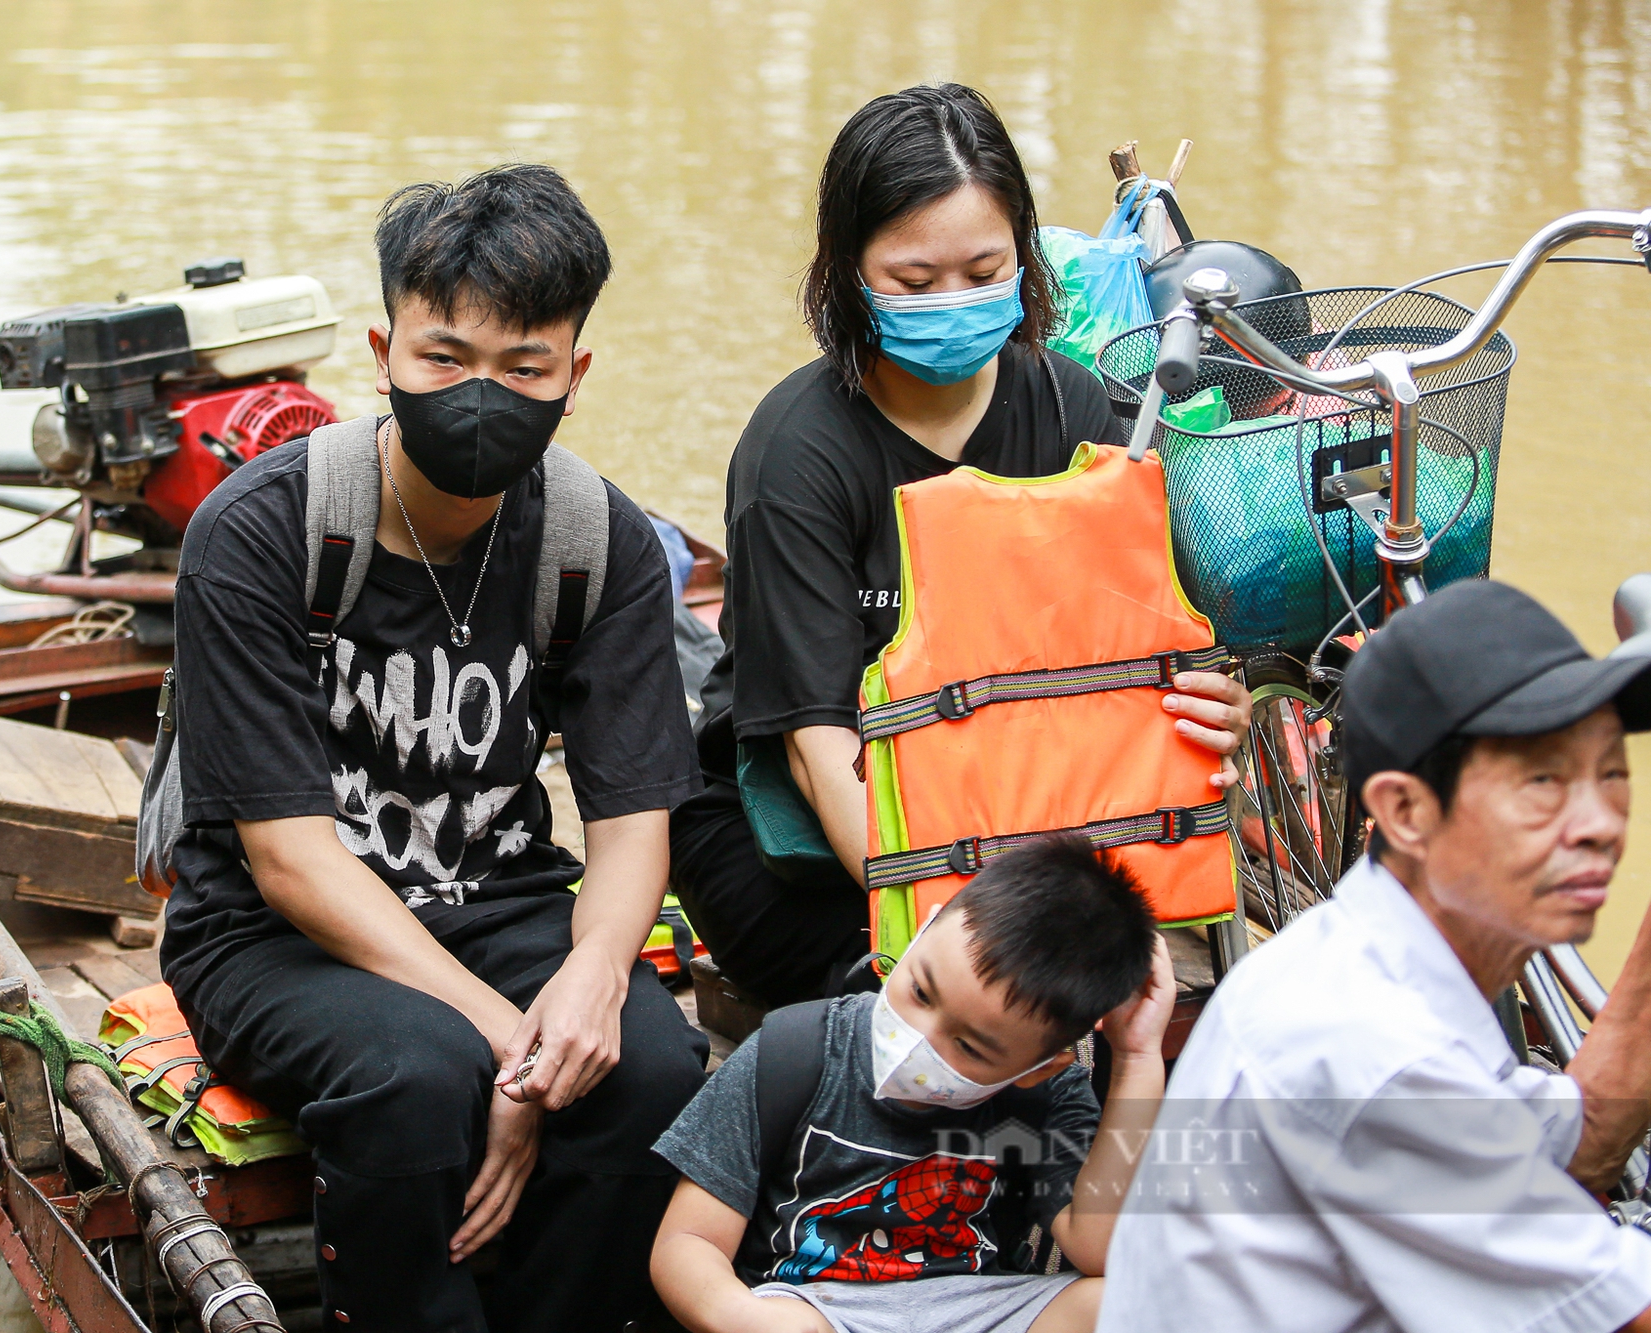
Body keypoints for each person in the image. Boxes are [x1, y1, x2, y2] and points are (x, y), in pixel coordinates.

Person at [160, 164, 709, 1333]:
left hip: (496, 897)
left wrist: (593, 979)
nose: (479, 396)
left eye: (524, 368)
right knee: (416, 1075)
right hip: (273, 933)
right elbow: (291, 861)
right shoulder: (258, 532)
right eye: (442, 358)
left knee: (650, 1067)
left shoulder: (593, 539)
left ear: (575, 375)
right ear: (381, 351)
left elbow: (630, 820)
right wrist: (508, 1038)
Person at [671, 83, 1251, 1007]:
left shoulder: (1074, 408)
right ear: (848, 272)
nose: (954, 301)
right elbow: (817, 752)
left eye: (985, 271)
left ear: (1024, 253)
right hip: (806, 830)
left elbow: (1134, 657)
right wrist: (970, 941)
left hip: (1011, 795)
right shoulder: (798, 455)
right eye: (913, 280)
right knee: (910, 1009)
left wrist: (1215, 708)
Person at [1098, 579, 1651, 1333]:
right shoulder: (1369, 1044)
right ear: (1404, 811)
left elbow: (1571, 1144)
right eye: (1543, 782)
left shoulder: (1371, 966)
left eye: (1612, 776)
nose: (1597, 824)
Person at [650, 836, 1176, 1333]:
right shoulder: (795, 1051)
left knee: (1126, 1303)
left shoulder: (1047, 1095)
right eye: (921, 991)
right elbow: (687, 1241)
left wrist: (1137, 1058)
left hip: (972, 1306)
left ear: (1038, 1067)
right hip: (813, 1310)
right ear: (924, 929)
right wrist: (744, 1318)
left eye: (969, 1047)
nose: (918, 1038)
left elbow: (1098, 1249)